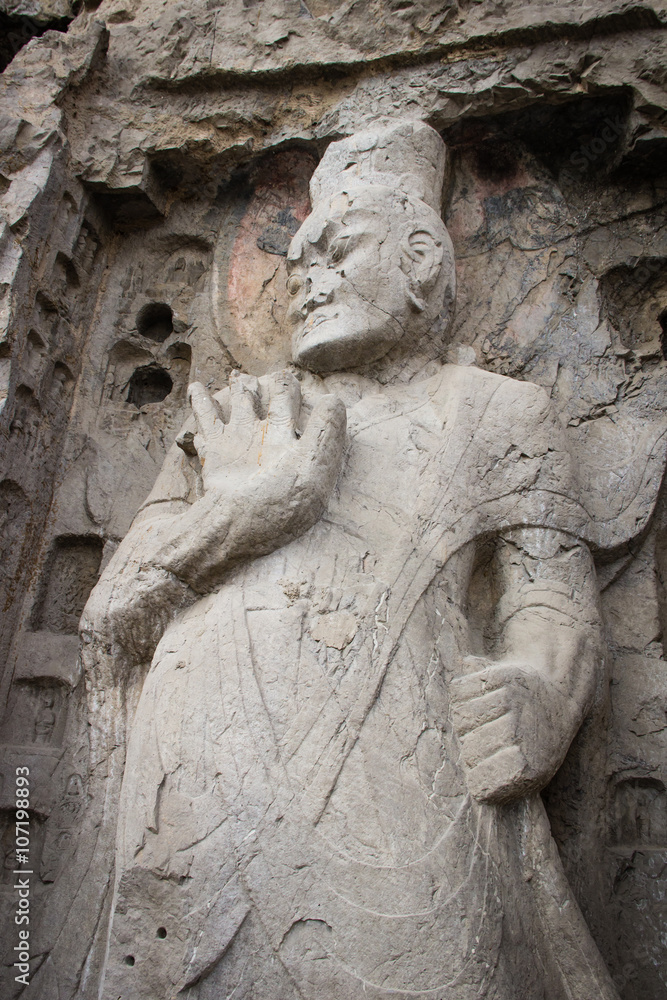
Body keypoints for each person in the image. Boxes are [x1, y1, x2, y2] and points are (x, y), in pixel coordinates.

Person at [82, 121, 619, 1000]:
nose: (307, 277)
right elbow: (111, 616)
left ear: (420, 260)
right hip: (198, 786)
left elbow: (551, 606)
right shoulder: (239, 409)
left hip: (400, 778)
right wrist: (250, 512)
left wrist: (538, 692)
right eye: (297, 259)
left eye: (338, 247)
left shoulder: (493, 413)